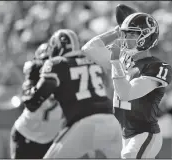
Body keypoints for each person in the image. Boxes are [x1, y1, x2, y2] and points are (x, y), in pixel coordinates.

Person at [82, 12, 172, 159]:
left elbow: (127, 94)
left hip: (144, 133)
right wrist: (116, 31)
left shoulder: (157, 66)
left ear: (147, 36)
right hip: (125, 133)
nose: (125, 38)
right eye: (125, 34)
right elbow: (89, 48)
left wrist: (116, 62)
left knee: (129, 155)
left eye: (132, 34)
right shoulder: (124, 61)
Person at [22, 29, 122, 158]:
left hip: (83, 124)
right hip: (112, 121)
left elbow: (33, 102)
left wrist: (30, 81)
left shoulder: (57, 63)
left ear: (57, 47)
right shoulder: (92, 60)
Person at [10, 43, 65, 159]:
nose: (49, 64)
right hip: (27, 134)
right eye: (45, 60)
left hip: (52, 137)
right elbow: (31, 103)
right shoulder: (35, 75)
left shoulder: (67, 74)